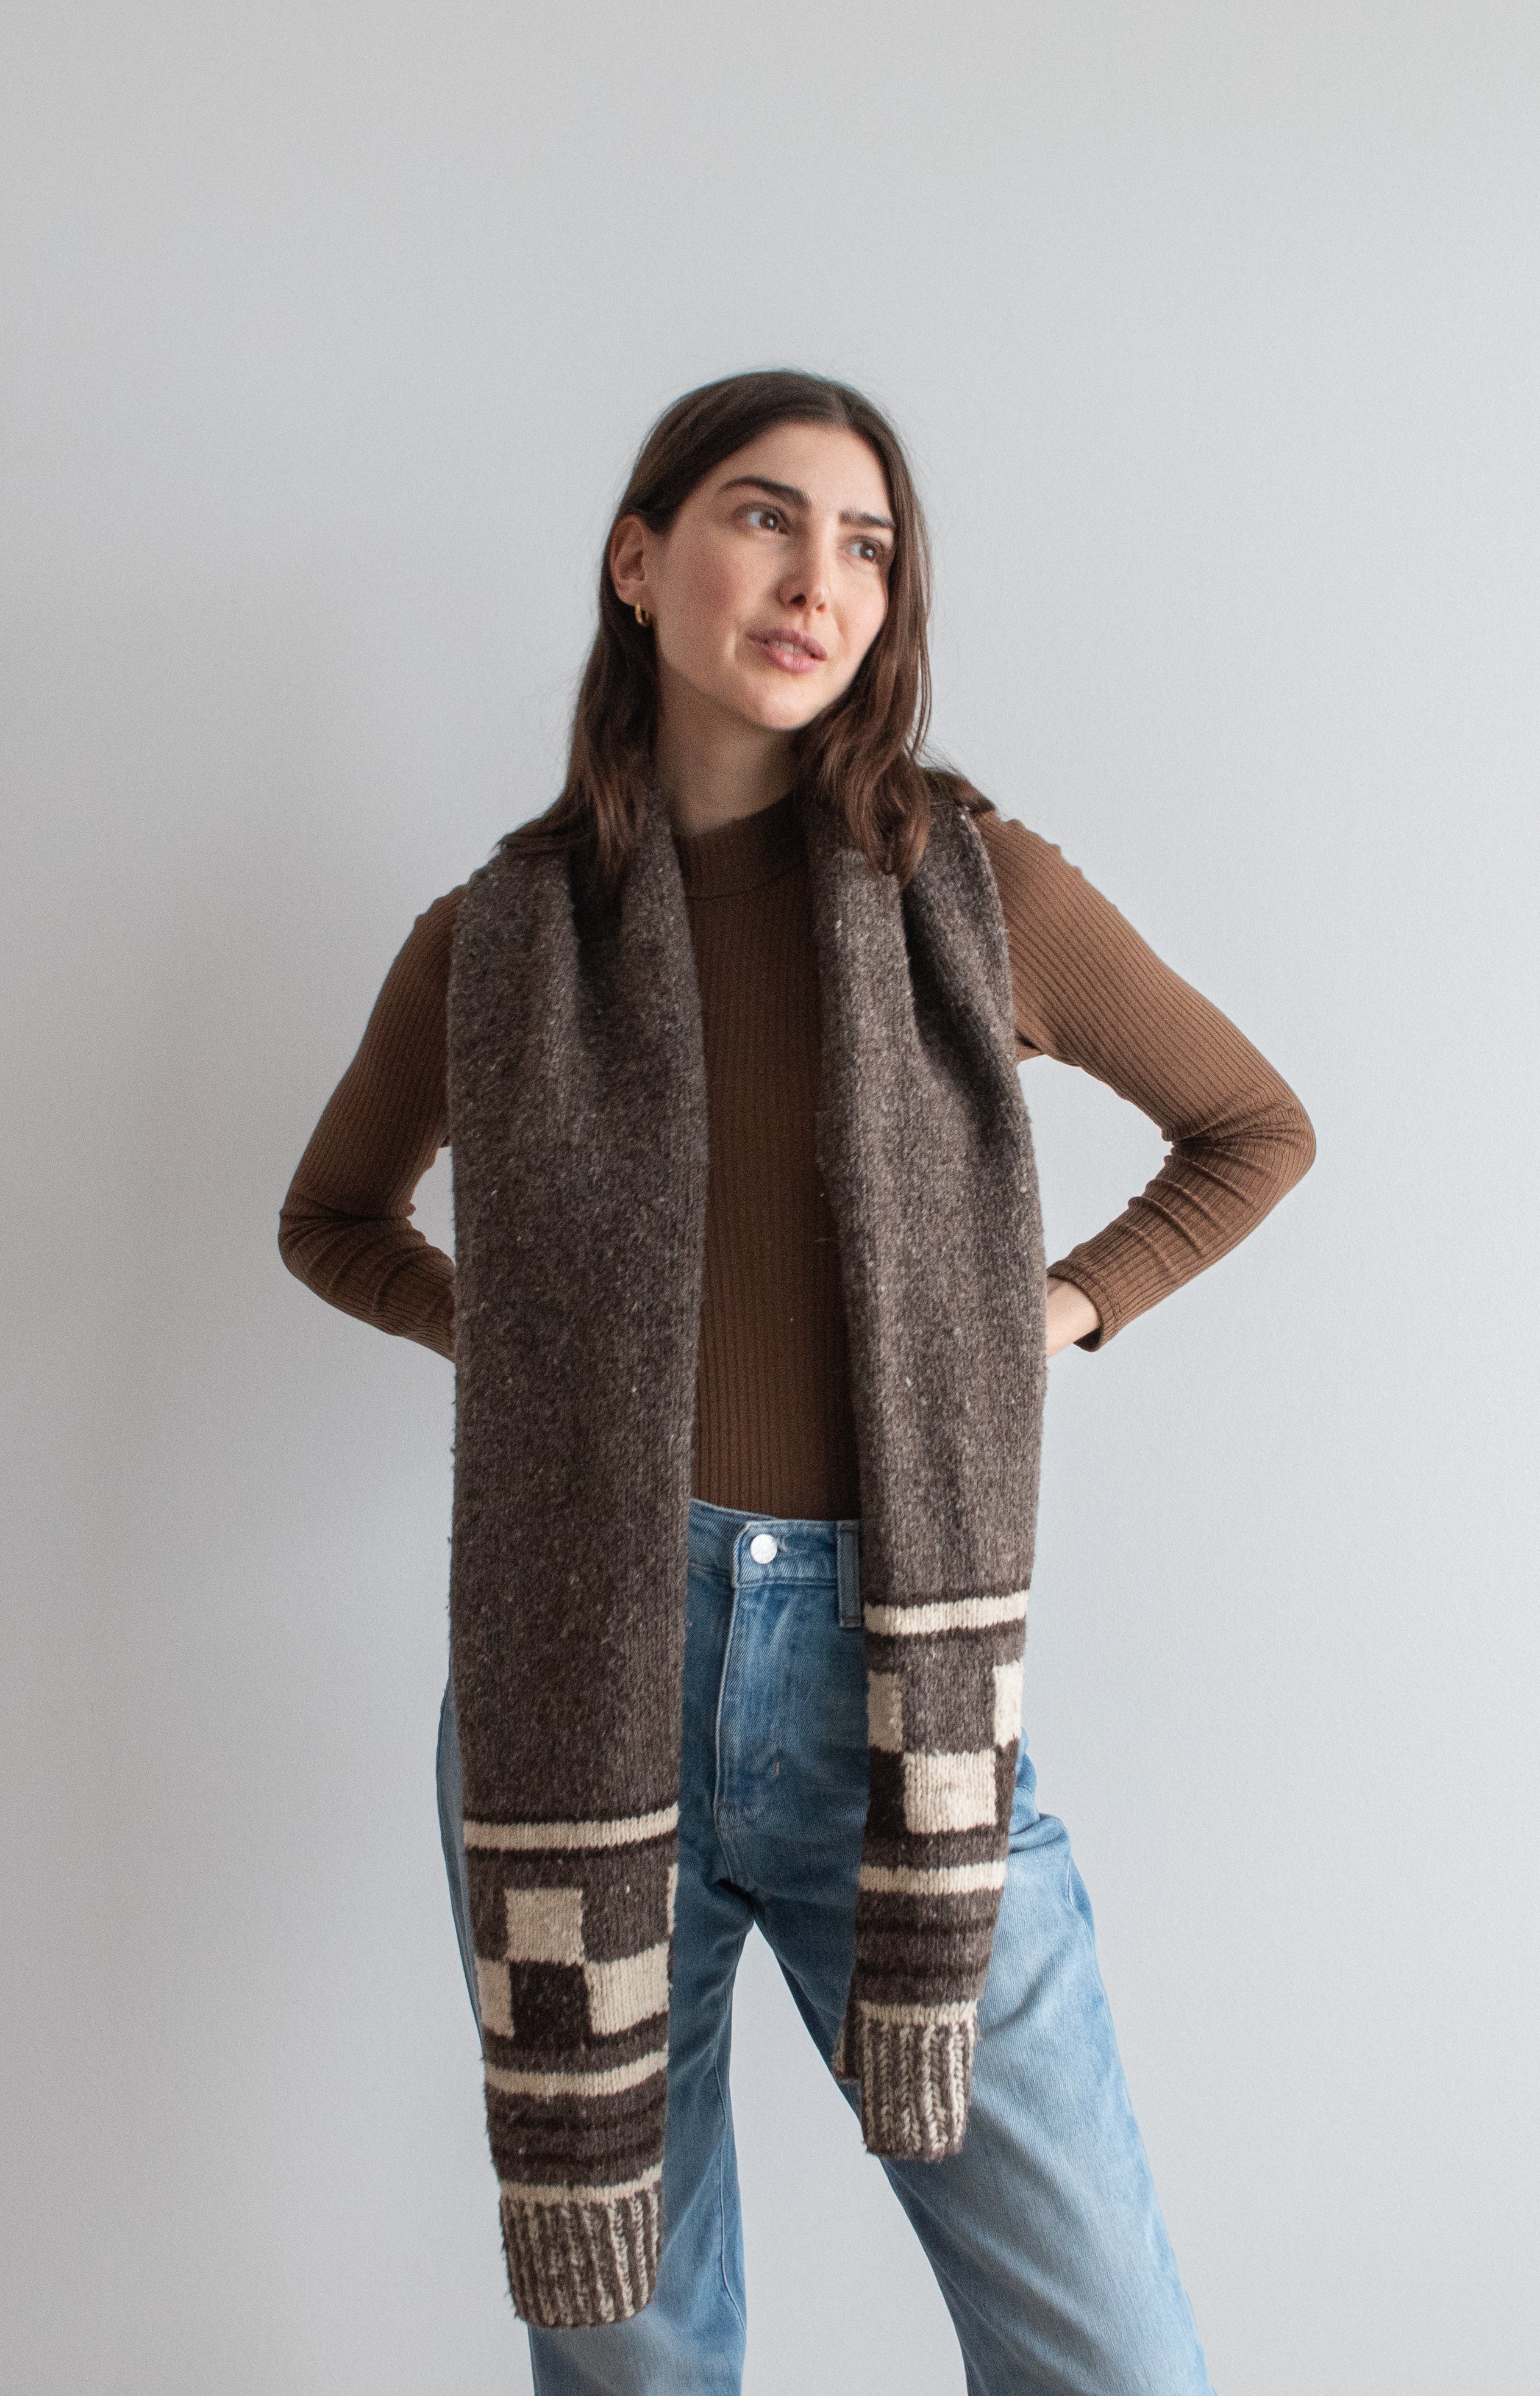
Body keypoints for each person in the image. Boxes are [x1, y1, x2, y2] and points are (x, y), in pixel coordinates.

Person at [279, 368, 1313, 2395]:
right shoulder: (494, 944)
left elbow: (1252, 1126)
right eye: (766, 516)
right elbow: (332, 1217)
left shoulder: (978, 894)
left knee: (1109, 2352)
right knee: (633, 2350)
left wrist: (1055, 1309)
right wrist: (524, 1344)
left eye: (868, 545)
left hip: (896, 1686)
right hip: (580, 1674)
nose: (818, 578)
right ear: (639, 558)